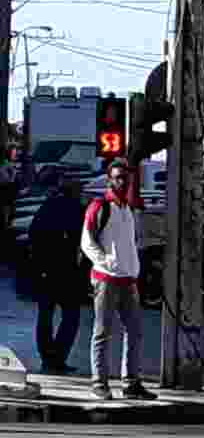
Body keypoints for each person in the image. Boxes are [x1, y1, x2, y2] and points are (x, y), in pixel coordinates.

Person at [80, 160, 157, 401]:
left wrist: (133, 268)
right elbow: (86, 242)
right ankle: (99, 383)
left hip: (128, 280)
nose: (122, 181)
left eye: (125, 177)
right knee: (102, 332)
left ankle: (131, 383)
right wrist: (107, 262)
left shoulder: (127, 209)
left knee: (135, 332)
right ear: (109, 180)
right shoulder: (100, 206)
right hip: (106, 279)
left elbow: (131, 243)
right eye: (117, 177)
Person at [29, 172, 85, 374]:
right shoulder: (77, 209)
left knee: (45, 314)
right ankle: (58, 356)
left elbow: (33, 234)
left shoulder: (47, 206)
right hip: (68, 271)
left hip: (46, 271)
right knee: (71, 317)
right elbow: (84, 240)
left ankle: (47, 357)